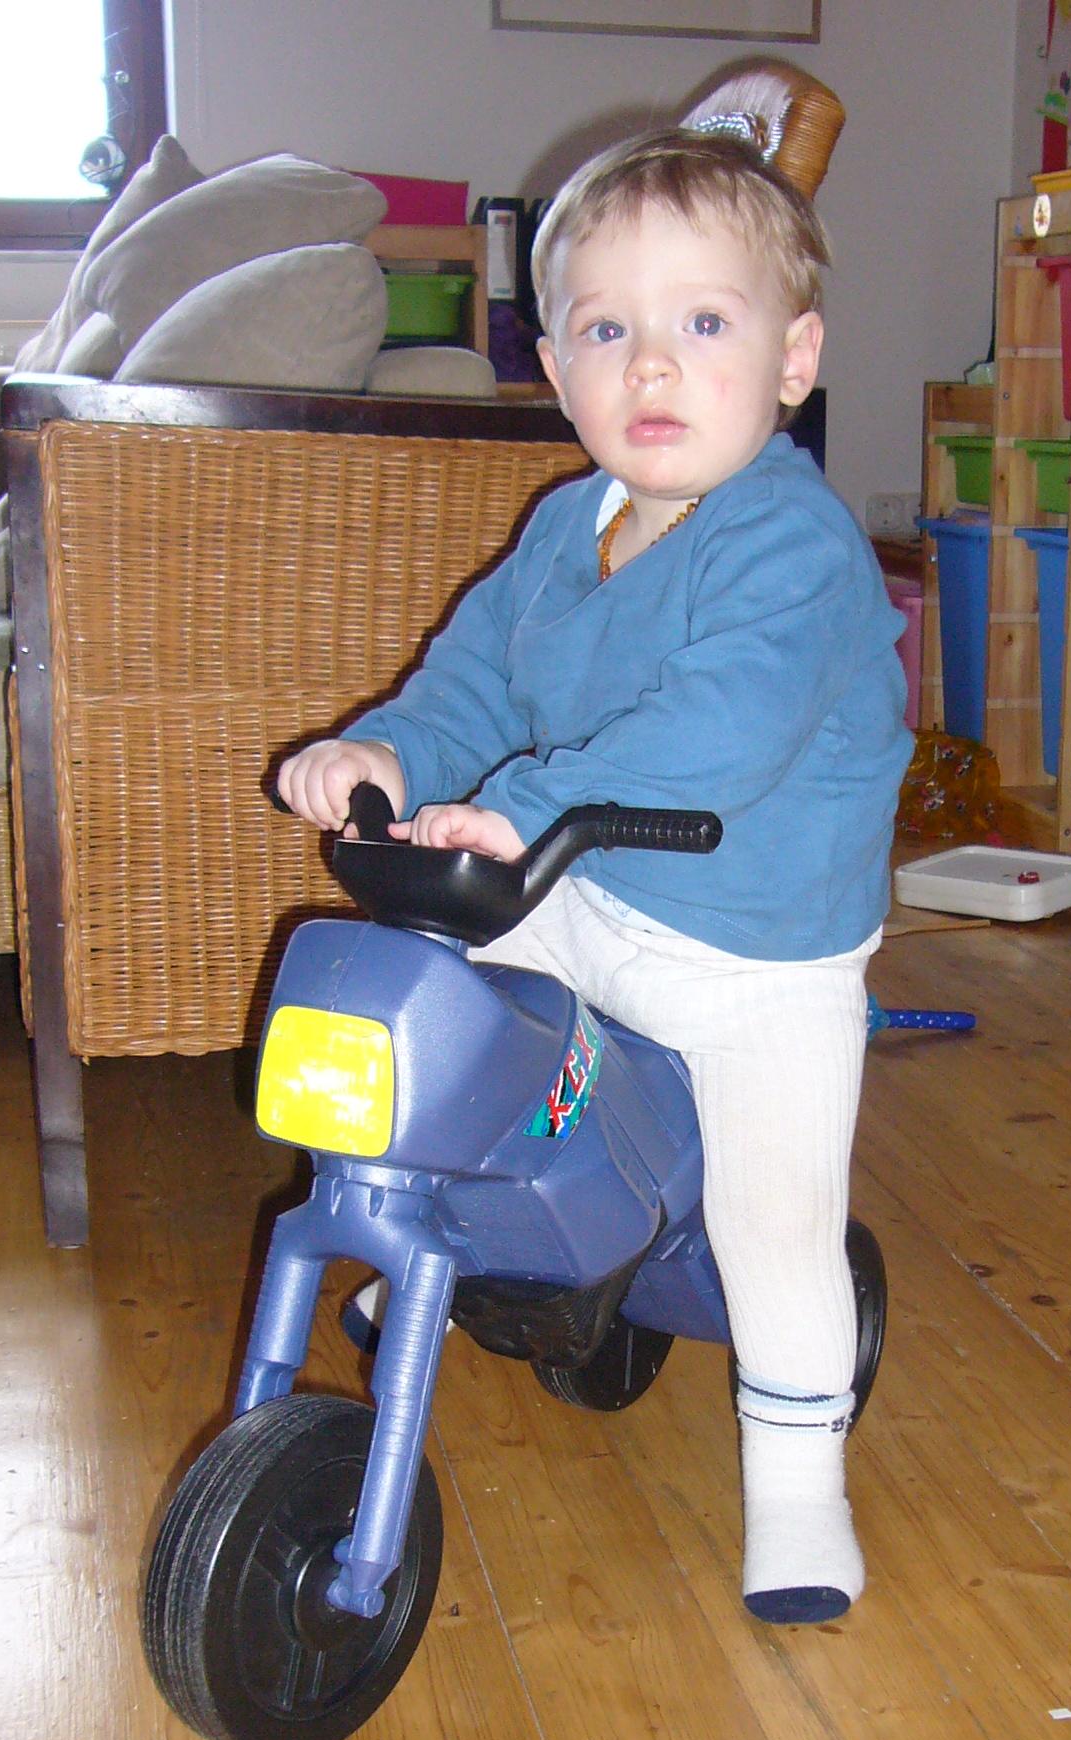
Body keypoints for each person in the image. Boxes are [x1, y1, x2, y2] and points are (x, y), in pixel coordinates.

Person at [278, 107, 912, 1625]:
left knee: (775, 1231)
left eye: (705, 324)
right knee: (442, 1024)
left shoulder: (795, 548)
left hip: (758, 957)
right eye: (608, 330)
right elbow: (472, 687)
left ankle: (800, 1492)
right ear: (555, 370)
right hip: (587, 897)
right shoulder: (568, 529)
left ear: (794, 360)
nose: (652, 368)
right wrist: (389, 755)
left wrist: (530, 805)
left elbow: (721, 725)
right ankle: (440, 1243)